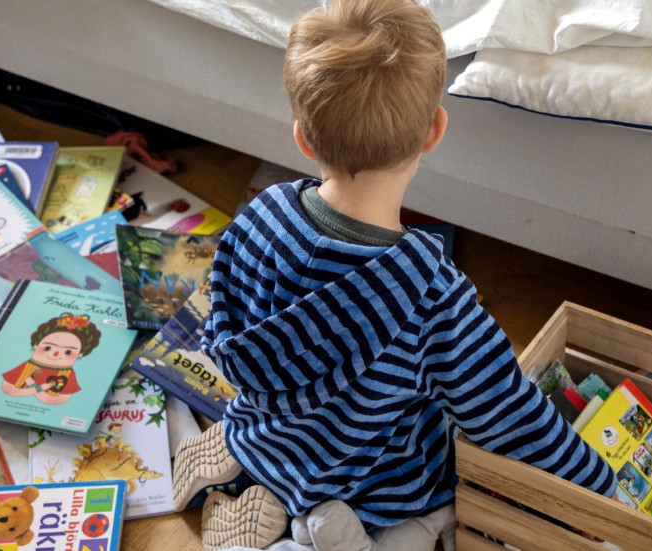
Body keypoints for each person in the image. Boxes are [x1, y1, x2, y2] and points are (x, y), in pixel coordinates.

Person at [172, 1, 618, 550]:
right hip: (369, 487)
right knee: (443, 480)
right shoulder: (433, 296)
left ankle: (257, 460)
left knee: (306, 422)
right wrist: (599, 484)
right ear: (435, 130)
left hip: (270, 428)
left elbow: (221, 316)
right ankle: (290, 511)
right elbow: (508, 413)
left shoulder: (258, 215)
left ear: (303, 138)